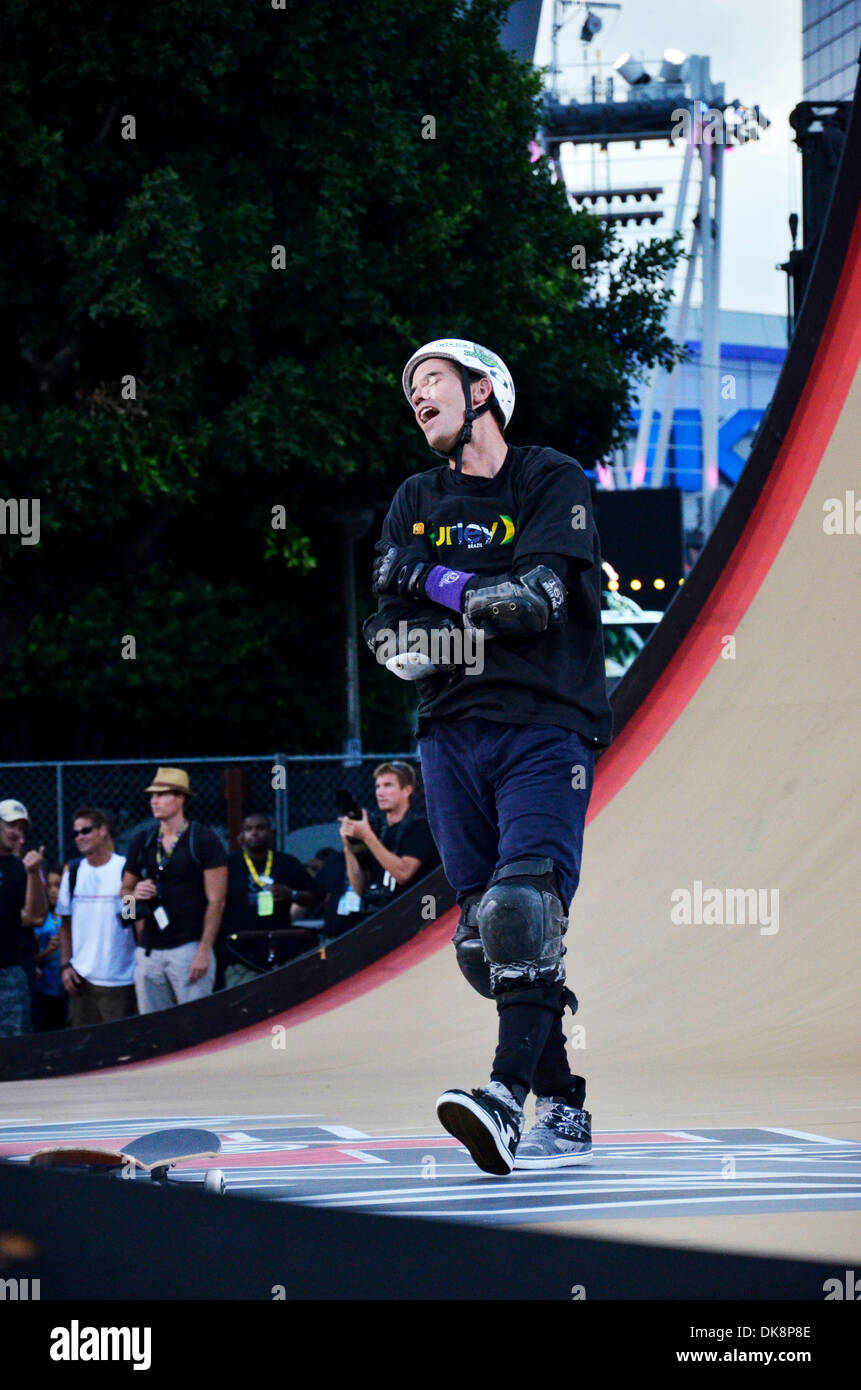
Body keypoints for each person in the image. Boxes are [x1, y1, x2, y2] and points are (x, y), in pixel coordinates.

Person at [365, 338, 612, 1175]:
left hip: (544, 723)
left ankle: (504, 1100)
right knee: (483, 944)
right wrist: (480, 605)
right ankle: (565, 1106)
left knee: (521, 907)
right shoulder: (413, 497)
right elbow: (387, 642)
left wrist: (434, 584)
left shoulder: (549, 479)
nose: (417, 398)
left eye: (430, 381)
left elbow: (535, 603)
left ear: (482, 390)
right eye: (410, 392)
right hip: (448, 733)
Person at [121, 767, 228, 1013]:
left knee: (193, 1025)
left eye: (161, 794)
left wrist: (204, 951)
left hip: (188, 947)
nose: (154, 801)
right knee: (153, 1029)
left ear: (180, 798)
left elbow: (217, 901)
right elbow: (124, 891)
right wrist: (134, 898)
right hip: (148, 950)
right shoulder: (143, 839)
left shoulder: (203, 839)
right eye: (151, 795)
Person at [57, 809, 136, 1027]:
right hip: (81, 978)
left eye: (86, 830)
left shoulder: (125, 870)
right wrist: (66, 965)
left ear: (103, 831)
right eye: (76, 833)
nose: (79, 837)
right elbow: (65, 923)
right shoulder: (72, 872)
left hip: (119, 978)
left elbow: (131, 919)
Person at [224, 812, 324, 969]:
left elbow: (316, 896)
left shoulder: (286, 862)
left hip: (280, 945)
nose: (254, 833)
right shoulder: (229, 864)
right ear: (242, 835)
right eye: (248, 829)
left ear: (272, 833)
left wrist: (292, 894)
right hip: (239, 950)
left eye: (260, 828)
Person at [337, 762, 439, 911]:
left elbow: (403, 873)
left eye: (388, 785)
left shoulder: (420, 826)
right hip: (382, 914)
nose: (380, 792)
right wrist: (349, 847)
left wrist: (367, 836)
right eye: (378, 786)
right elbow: (360, 888)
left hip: (417, 912)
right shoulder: (378, 830)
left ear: (407, 790)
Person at [0, 799, 47, 1037]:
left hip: (121, 968)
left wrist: (32, 874)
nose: (17, 833)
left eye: (21, 828)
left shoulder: (123, 867)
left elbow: (37, 917)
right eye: (11, 826)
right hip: (82, 970)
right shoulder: (78, 872)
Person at [31, 868, 68, 1031]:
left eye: (58, 886)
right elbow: (32, 959)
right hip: (48, 991)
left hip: (75, 990)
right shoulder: (42, 919)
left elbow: (129, 917)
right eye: (50, 886)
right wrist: (48, 951)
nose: (53, 891)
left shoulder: (72, 916)